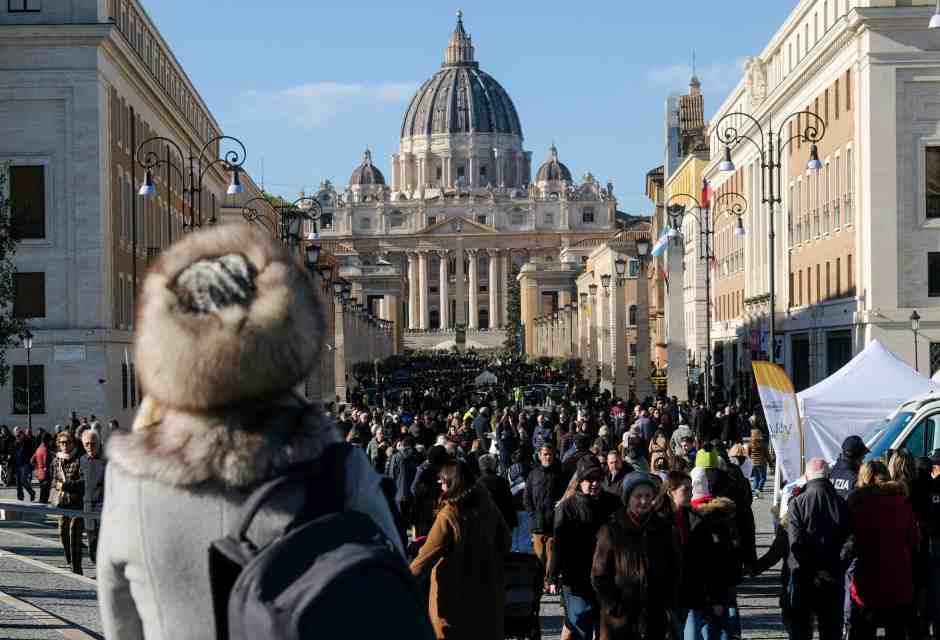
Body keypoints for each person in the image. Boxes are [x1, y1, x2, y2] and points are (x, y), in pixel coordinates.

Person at [97, 226, 402, 639]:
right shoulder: (343, 470)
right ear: (286, 332)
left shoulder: (130, 481)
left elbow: (120, 624)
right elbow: (393, 596)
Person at [410, 460, 511, 640]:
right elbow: (506, 542)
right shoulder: (488, 506)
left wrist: (400, 581)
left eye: (442, 480)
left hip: (454, 602)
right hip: (487, 600)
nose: (440, 484)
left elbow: (424, 559)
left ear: (453, 483)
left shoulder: (449, 515)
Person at [591, 471, 678, 640]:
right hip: (620, 621)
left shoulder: (665, 529)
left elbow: (675, 568)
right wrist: (613, 605)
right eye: (638, 496)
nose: (644, 501)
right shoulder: (611, 530)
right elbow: (599, 575)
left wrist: (668, 602)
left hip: (655, 616)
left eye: (648, 496)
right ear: (628, 498)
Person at [550, 456, 621, 640]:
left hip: (606, 576)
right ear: (580, 481)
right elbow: (559, 545)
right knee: (581, 625)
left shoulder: (614, 503)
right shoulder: (566, 508)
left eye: (598, 478)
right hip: (576, 579)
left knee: (604, 626)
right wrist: (552, 575)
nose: (595, 483)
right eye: (590, 479)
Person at [845, 460, 918, 640]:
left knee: (862, 632)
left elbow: (848, 542)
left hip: (867, 580)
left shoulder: (857, 504)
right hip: (898, 579)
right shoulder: (902, 503)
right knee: (896, 632)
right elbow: (914, 541)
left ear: (864, 478)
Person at [787, 458, 851, 640]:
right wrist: (840, 562)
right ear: (828, 476)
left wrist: (807, 568)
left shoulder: (797, 503)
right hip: (833, 573)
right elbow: (851, 539)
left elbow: (795, 543)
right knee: (831, 629)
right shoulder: (841, 502)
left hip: (805, 576)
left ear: (807, 476)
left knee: (802, 629)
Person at [524, 443, 565, 593]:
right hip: (537, 524)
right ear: (540, 456)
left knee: (551, 556)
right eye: (545, 454)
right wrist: (532, 514)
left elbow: (564, 497)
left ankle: (548, 583)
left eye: (550, 454)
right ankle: (538, 582)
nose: (548, 457)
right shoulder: (533, 474)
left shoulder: (558, 474)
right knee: (539, 556)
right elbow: (527, 497)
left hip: (553, 523)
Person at [51, 430, 84, 574]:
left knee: (74, 535)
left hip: (77, 503)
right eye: (62, 442)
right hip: (63, 503)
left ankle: (77, 568)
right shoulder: (57, 460)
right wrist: (57, 485)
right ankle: (69, 561)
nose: (65, 445)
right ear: (59, 444)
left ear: (72, 443)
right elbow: (53, 480)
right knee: (62, 533)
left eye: (68, 442)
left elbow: (83, 482)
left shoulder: (79, 459)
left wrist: (65, 485)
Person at [80, 429, 106, 564]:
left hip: (104, 507)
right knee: (91, 541)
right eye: (87, 444)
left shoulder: (107, 460)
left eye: (92, 443)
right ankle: (97, 565)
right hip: (88, 506)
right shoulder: (83, 460)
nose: (89, 447)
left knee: (104, 542)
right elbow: (80, 482)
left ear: (99, 443)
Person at [477, 453, 518, 530]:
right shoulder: (503, 482)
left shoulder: (477, 484)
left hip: (485, 524)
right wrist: (512, 523)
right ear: (494, 465)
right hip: (503, 523)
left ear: (480, 466)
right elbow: (509, 503)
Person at [829, 435, 868, 500]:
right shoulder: (857, 478)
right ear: (856, 457)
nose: (863, 458)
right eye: (862, 455)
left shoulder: (830, 473)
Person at [12, 427, 36, 502]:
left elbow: (32, 452)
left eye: (19, 435)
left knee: (23, 481)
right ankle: (20, 499)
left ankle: (31, 492)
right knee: (18, 484)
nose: (17, 437)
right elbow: (12, 452)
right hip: (17, 465)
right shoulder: (15, 443)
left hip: (25, 464)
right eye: (16, 435)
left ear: (22, 434)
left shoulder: (27, 441)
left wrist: (31, 463)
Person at [30, 432, 51, 503]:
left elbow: (32, 460)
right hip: (45, 473)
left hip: (39, 473)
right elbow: (46, 462)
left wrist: (37, 467)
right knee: (45, 494)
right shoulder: (46, 449)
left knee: (42, 492)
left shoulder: (39, 448)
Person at [749, 427, 769, 498]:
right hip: (762, 463)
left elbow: (748, 453)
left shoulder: (751, 443)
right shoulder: (763, 443)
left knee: (756, 478)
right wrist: (770, 462)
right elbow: (767, 454)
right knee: (763, 478)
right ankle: (758, 489)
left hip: (753, 463)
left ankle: (755, 493)